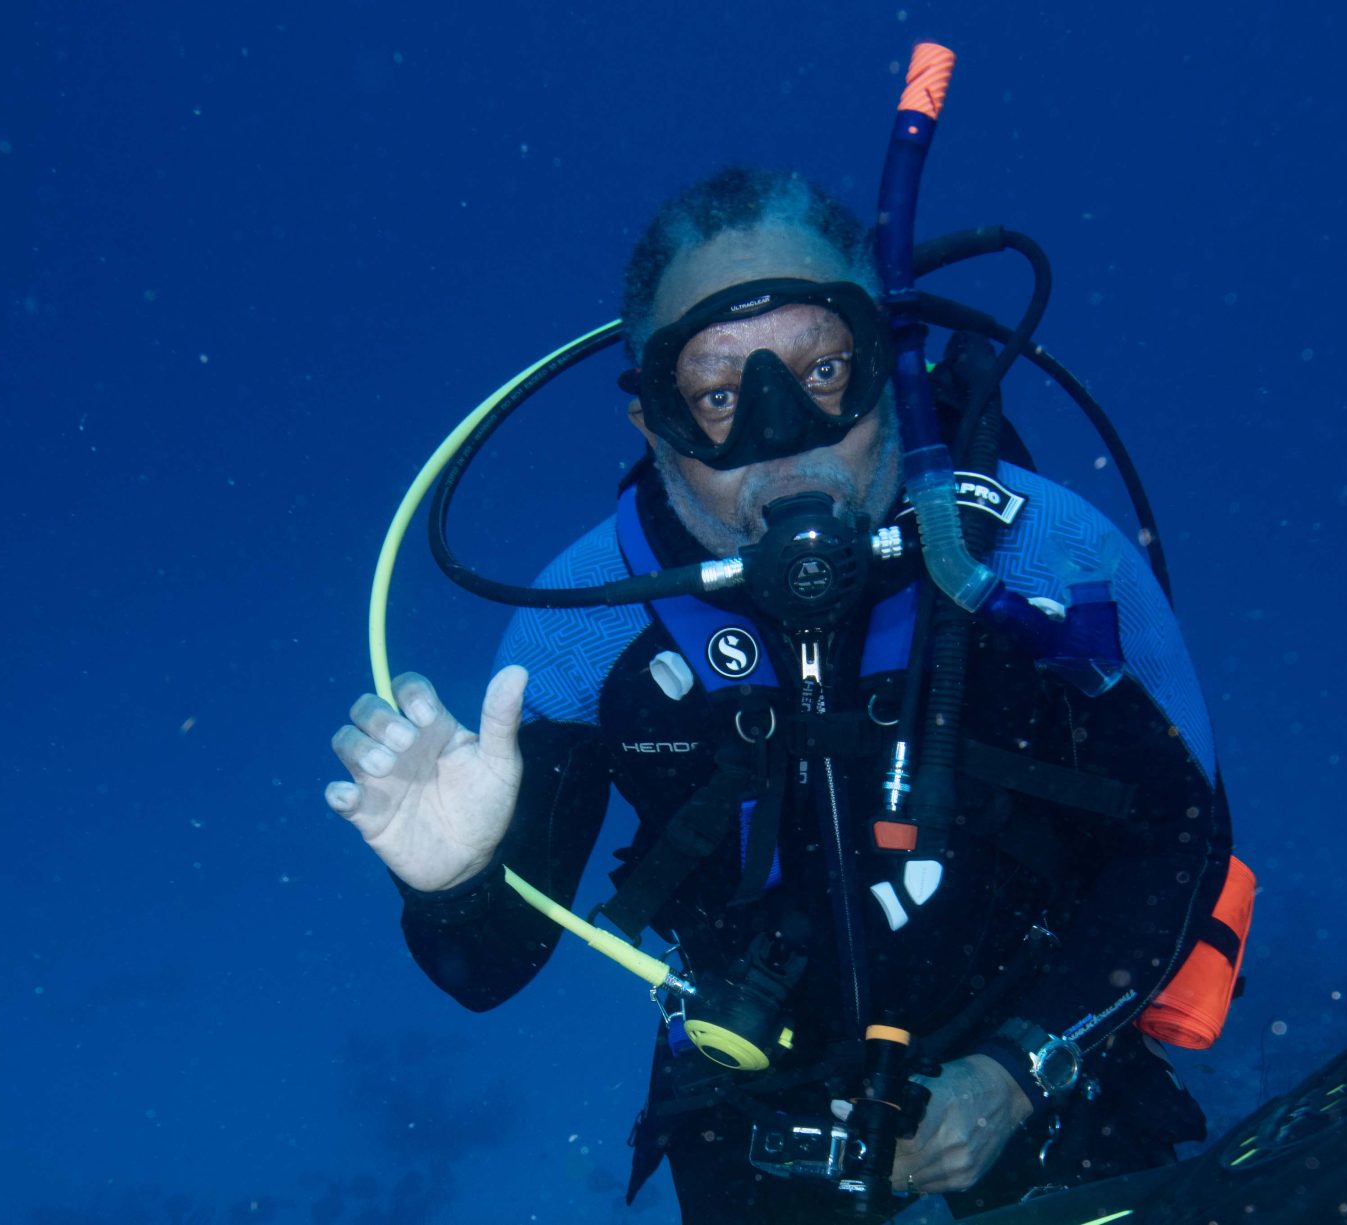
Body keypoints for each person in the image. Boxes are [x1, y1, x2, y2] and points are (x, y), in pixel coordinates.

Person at [328, 166, 1237, 1222]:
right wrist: (452, 883)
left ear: (890, 360)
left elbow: (1181, 844)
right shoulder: (581, 629)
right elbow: (485, 971)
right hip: (756, 1092)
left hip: (1042, 1052)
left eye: (824, 370)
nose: (784, 433)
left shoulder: (1044, 554)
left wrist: (1016, 1072)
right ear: (653, 421)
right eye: (719, 394)